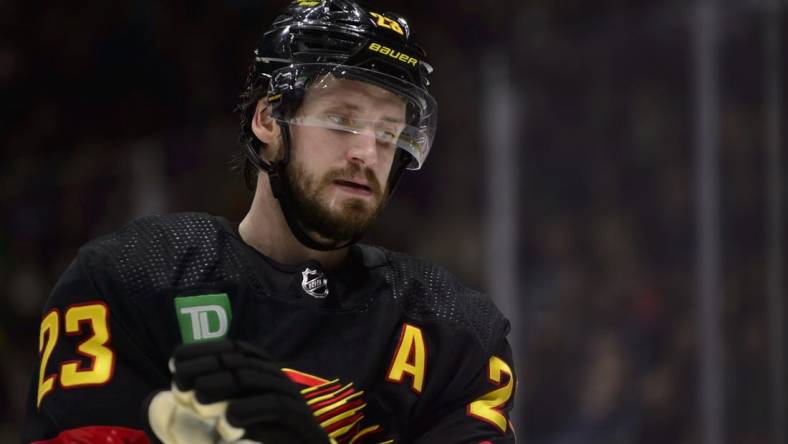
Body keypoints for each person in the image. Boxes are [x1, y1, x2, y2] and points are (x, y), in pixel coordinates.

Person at [23, 1, 517, 442]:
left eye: (388, 132)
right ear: (267, 121)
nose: (368, 152)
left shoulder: (454, 329)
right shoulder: (133, 280)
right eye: (342, 121)